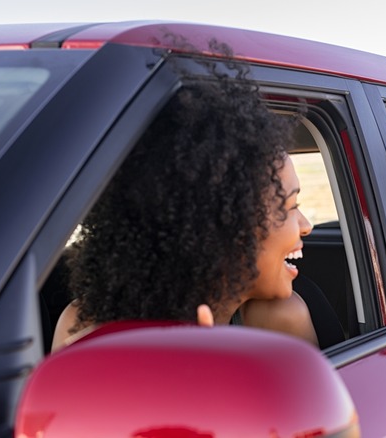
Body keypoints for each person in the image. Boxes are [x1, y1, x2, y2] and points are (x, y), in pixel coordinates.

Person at [51, 49, 317, 352]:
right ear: (221, 226)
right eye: (291, 206)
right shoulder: (86, 327)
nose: (306, 225)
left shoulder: (280, 320)